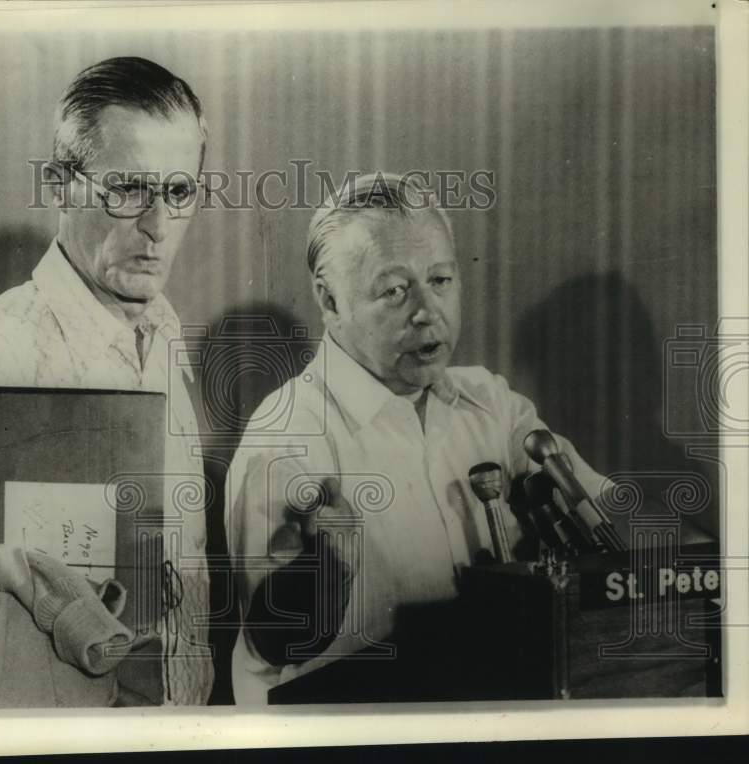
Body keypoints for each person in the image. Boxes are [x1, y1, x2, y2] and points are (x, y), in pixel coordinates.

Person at [224, 172, 616, 704]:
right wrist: (328, 571)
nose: (428, 312)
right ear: (330, 300)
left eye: (441, 280)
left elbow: (610, 515)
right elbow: (273, 642)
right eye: (394, 290)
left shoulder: (492, 404)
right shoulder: (287, 439)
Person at [0, 57, 213, 705]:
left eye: (179, 192)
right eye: (128, 189)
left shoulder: (164, 339)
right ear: (60, 184)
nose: (157, 225)